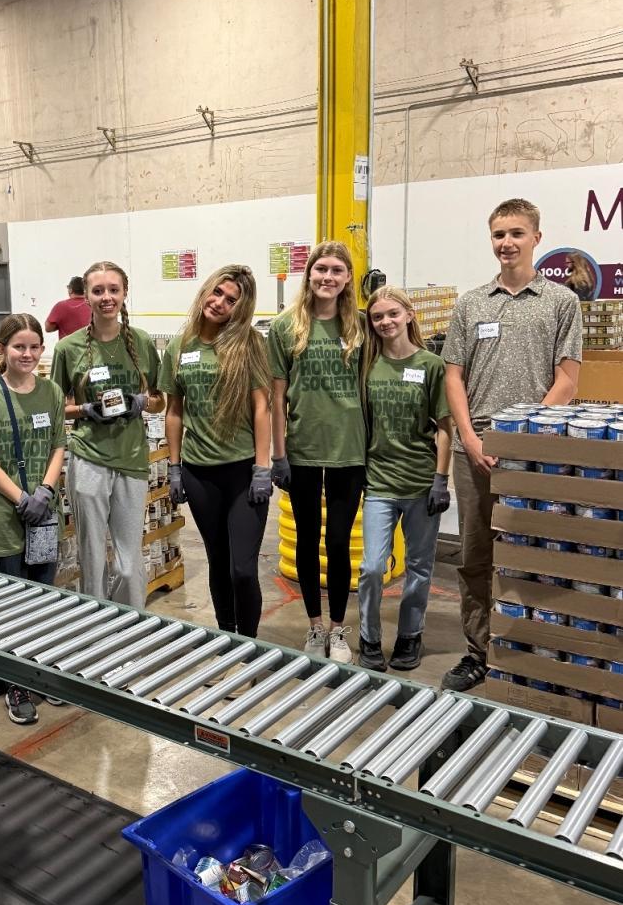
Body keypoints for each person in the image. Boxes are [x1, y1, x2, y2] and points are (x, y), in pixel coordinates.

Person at [442, 197, 582, 692]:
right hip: (475, 451)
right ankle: (480, 652)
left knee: (531, 555)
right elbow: (453, 376)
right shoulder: (472, 303)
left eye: (516, 233)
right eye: (499, 234)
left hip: (534, 453)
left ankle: (528, 652)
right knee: (476, 555)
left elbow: (568, 379)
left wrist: (523, 439)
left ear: (536, 239)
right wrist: (469, 437)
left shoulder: (561, 302)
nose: (507, 243)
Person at [0, 312, 67, 725]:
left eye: (34, 347)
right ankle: (16, 684)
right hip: (5, 517)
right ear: (2, 349)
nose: (27, 354)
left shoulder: (52, 392)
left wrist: (46, 492)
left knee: (43, 599)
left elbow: (58, 445)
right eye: (19, 347)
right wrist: (21, 497)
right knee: (11, 604)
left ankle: (41, 670)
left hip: (44, 515)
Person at [161, 266, 272, 637]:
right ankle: (226, 636)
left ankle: (249, 643)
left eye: (231, 300)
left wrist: (262, 468)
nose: (220, 303)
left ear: (241, 308)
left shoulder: (249, 344)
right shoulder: (180, 347)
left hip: (242, 473)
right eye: (218, 292)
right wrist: (174, 468)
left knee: (243, 569)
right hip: (199, 473)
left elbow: (262, 407)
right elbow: (174, 411)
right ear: (206, 290)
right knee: (218, 561)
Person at [268, 241, 366, 663]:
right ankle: (314, 625)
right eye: (321, 269)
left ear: (347, 278)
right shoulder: (285, 327)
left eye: (336, 270)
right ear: (309, 274)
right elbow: (276, 397)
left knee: (339, 542)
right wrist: (278, 455)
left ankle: (339, 629)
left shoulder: (361, 326)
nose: (328, 277)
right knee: (307, 541)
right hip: (303, 450)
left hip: (350, 451)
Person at [51, 261, 163, 610]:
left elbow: (161, 399)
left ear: (125, 293)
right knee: (93, 556)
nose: (106, 297)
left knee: (129, 565)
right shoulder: (68, 349)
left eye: (113, 290)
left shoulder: (141, 342)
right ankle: (95, 624)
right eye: (98, 291)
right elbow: (56, 407)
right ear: (86, 296)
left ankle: (129, 624)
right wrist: (85, 410)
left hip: (132, 459)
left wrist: (141, 402)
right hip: (89, 459)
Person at [357, 287, 453, 671]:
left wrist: (440, 479)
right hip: (379, 483)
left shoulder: (431, 365)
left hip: (420, 483)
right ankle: (369, 637)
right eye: (378, 316)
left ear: (409, 314)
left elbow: (445, 426)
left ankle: (410, 635)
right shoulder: (368, 366)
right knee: (372, 568)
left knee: (419, 567)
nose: (386, 322)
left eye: (393, 314)